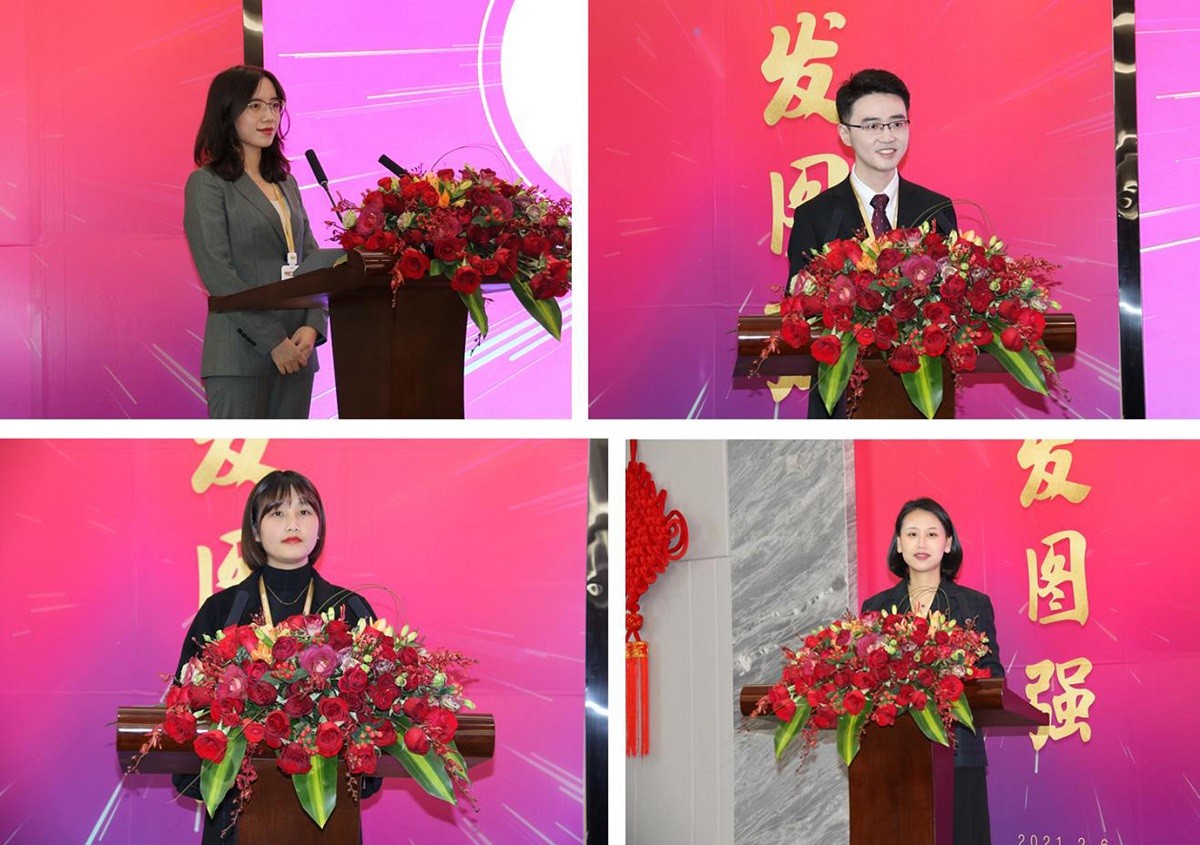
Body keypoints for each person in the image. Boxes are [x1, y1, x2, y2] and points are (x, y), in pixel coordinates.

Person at [172, 470, 379, 844]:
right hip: (237, 817)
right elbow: (185, 708)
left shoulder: (352, 610)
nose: (293, 523)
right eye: (278, 513)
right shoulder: (222, 611)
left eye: (304, 511)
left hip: (331, 820)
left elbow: (378, 719)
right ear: (254, 530)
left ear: (319, 526)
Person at [785, 69, 959, 418]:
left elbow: (955, 300)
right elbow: (800, 308)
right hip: (841, 406)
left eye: (897, 123)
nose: (887, 136)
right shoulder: (816, 216)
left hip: (922, 403)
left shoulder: (936, 210)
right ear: (845, 134)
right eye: (872, 126)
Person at [185, 66, 326, 419]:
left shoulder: (286, 183)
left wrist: (312, 325)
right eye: (254, 106)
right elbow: (218, 274)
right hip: (240, 354)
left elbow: (311, 260)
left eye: (275, 105)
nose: (268, 117)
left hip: (299, 350)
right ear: (226, 112)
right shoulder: (208, 184)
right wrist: (273, 341)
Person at [860, 497, 1002, 845]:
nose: (921, 543)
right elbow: (863, 678)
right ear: (898, 543)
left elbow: (993, 673)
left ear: (948, 543)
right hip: (892, 754)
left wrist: (953, 673)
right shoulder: (875, 607)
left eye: (932, 534)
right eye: (912, 534)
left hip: (958, 754)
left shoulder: (973, 604)